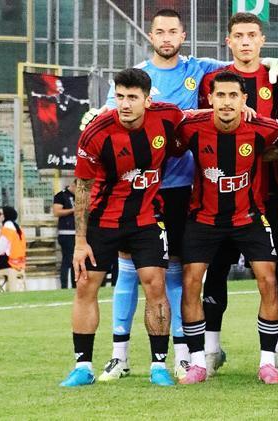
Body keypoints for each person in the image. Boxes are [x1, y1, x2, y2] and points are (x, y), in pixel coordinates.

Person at [94, 8, 278, 382]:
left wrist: (271, 61)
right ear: (151, 35)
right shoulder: (137, 78)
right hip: (144, 189)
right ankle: (120, 356)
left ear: (183, 35)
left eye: (173, 31)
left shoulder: (199, 69)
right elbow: (116, 116)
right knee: (132, 269)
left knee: (179, 272)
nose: (166, 37)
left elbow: (240, 64)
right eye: (160, 31)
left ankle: (188, 357)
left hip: (187, 189)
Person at [60, 68, 181, 387]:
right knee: (86, 286)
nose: (125, 104)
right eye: (120, 96)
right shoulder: (96, 132)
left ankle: (158, 366)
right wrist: (80, 241)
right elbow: (83, 187)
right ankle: (83, 367)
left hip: (147, 219)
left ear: (148, 100)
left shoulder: (168, 117)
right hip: (103, 221)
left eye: (132, 97)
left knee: (156, 285)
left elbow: (197, 120)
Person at [172, 71, 278, 385]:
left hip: (249, 217)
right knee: (191, 282)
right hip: (204, 219)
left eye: (233, 95)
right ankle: (198, 363)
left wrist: (268, 155)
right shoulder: (192, 126)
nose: (226, 102)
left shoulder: (263, 128)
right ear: (210, 98)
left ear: (244, 100)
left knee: (269, 280)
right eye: (220, 95)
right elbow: (170, 138)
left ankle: (267, 362)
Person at [197, 12, 278, 378]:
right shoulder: (214, 80)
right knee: (216, 270)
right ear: (229, 41)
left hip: (266, 194)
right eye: (239, 35)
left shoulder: (277, 77)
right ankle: (211, 349)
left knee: (272, 272)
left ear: (262, 40)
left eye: (252, 35)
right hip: (218, 195)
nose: (246, 41)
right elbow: (200, 123)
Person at [53, 184, 76, 288]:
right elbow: (56, 212)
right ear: (74, 185)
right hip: (66, 232)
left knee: (76, 260)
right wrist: (72, 210)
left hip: (77, 232)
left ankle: (75, 284)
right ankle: (64, 285)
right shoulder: (61, 195)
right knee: (67, 259)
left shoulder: (79, 196)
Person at [0, 206, 26, 271]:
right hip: (19, 262)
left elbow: (0, 248)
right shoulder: (16, 226)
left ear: (6, 215)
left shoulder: (7, 227)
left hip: (9, 262)